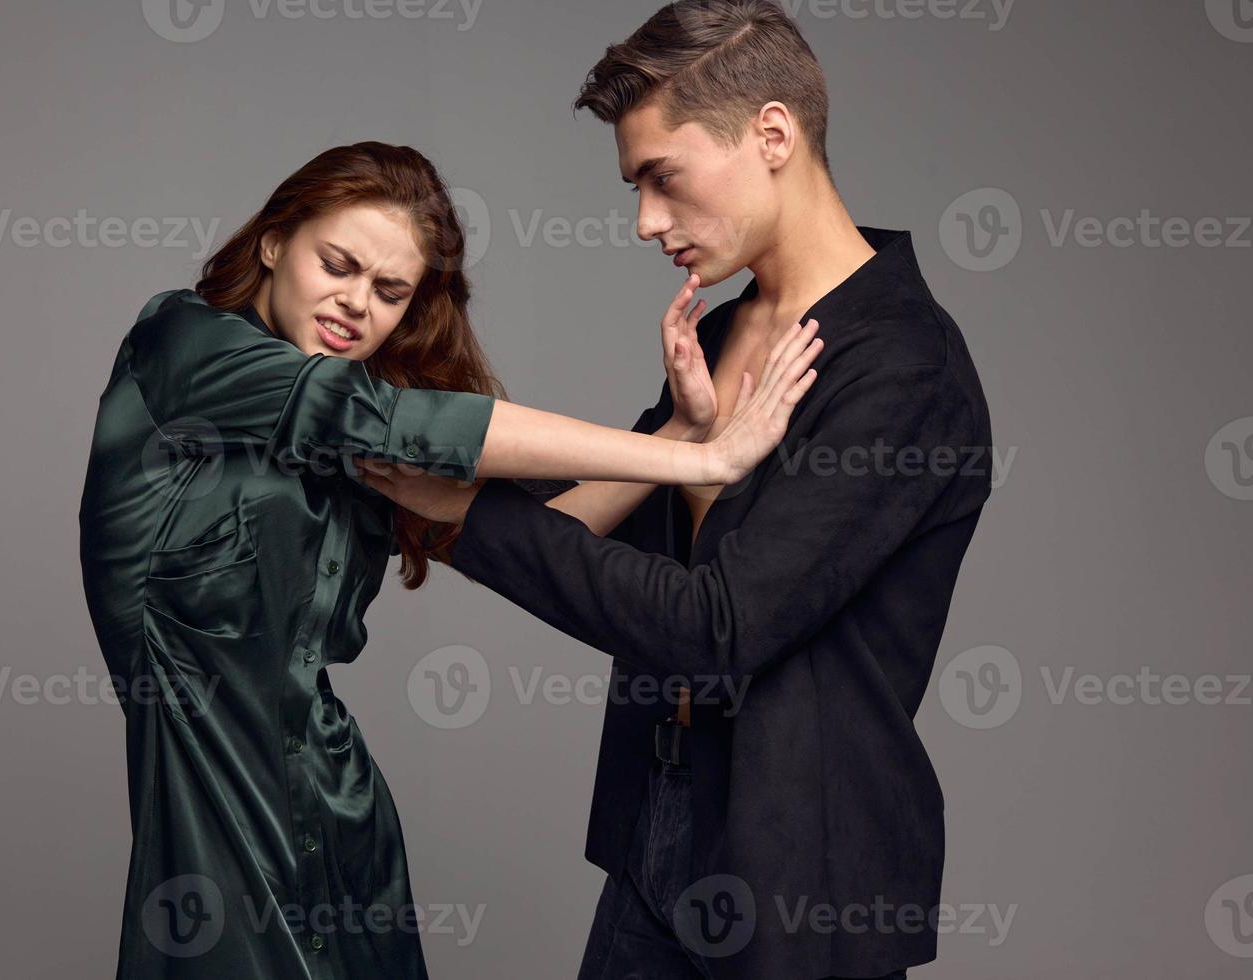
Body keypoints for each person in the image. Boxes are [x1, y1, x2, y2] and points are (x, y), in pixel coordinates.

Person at [77, 140, 822, 979]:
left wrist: (681, 431)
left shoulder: (351, 434)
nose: (355, 303)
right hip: (209, 820)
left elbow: (538, 533)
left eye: (389, 291)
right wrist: (703, 463)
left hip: (340, 817)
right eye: (338, 265)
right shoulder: (181, 345)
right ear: (274, 240)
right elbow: (388, 417)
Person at [355, 3, 994, 978]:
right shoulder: (727, 331)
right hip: (654, 836)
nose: (646, 219)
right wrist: (686, 436)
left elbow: (718, 626)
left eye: (663, 176)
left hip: (799, 884)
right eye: (635, 185)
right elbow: (577, 534)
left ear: (772, 134)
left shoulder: (904, 369)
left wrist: (466, 511)